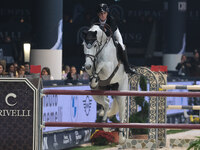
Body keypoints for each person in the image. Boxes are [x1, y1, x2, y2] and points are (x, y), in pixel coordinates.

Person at [91, 3, 135, 74]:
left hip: (113, 33)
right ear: (98, 14)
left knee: (121, 45)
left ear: (107, 13)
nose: (102, 15)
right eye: (101, 13)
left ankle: (127, 67)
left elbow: (109, 34)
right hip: (100, 37)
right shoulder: (94, 21)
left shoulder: (111, 19)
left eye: (104, 13)